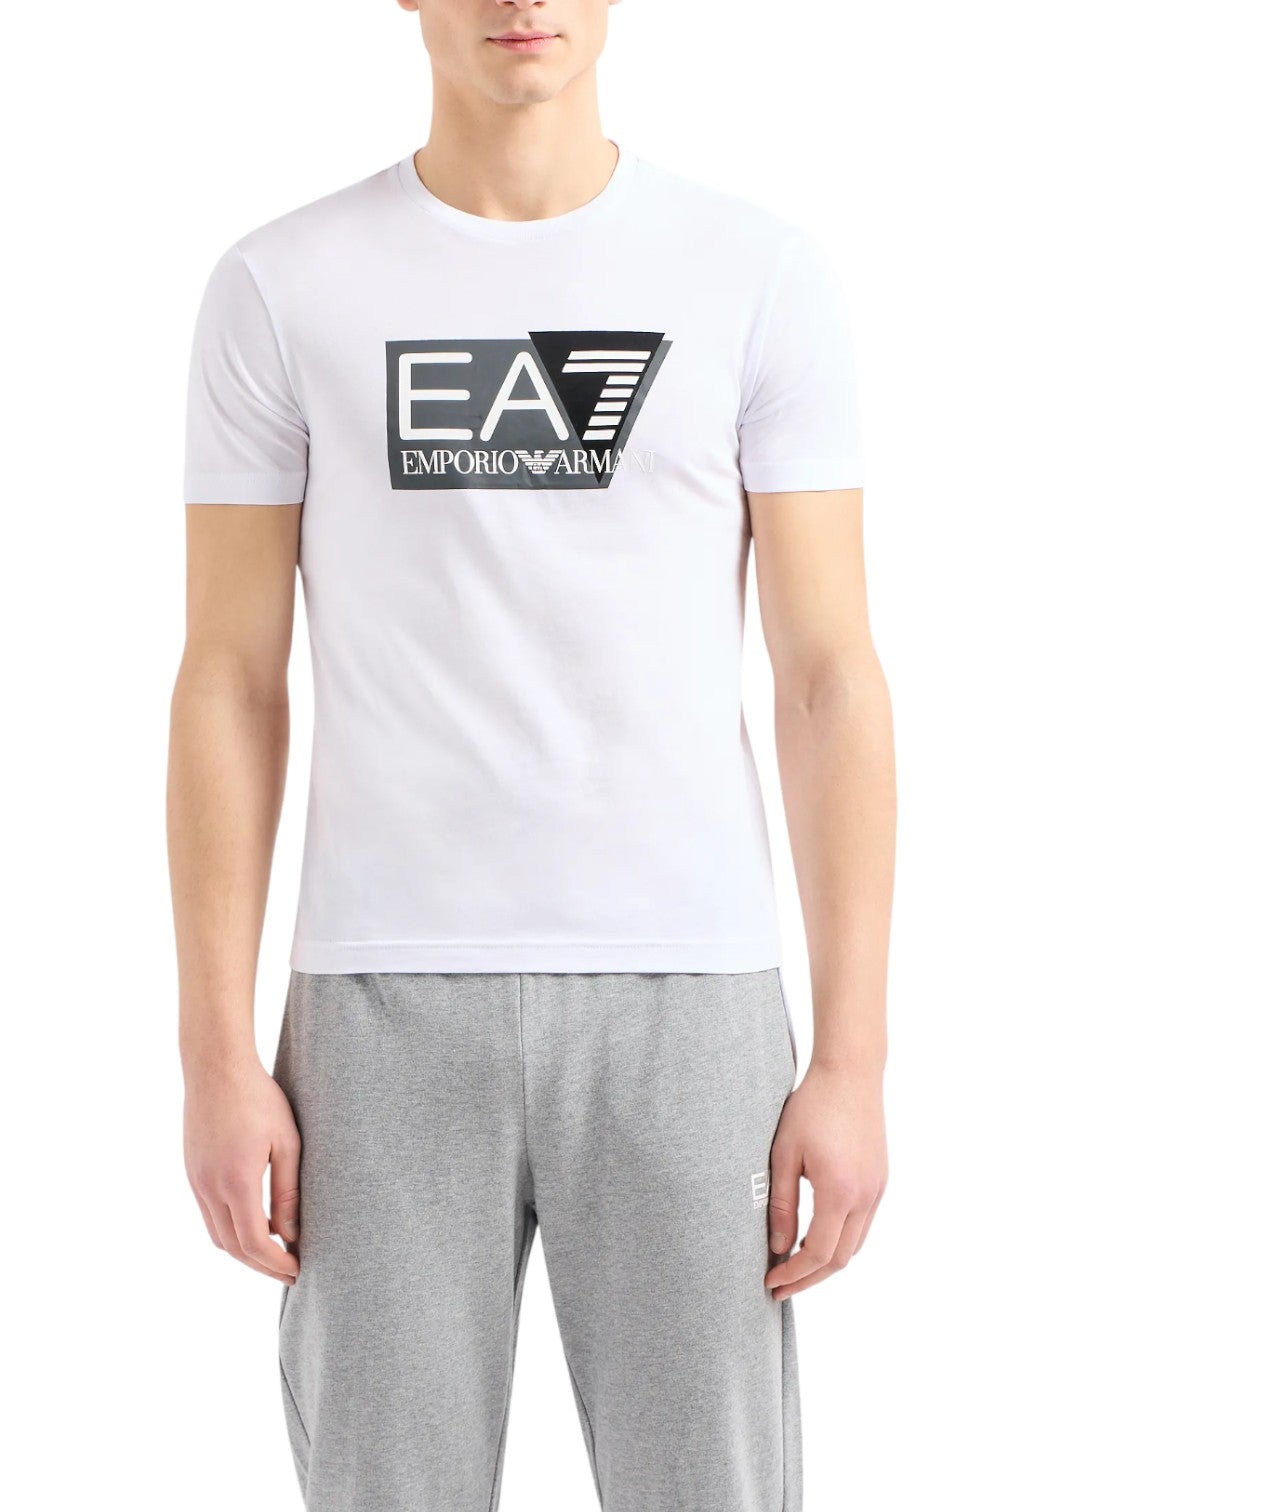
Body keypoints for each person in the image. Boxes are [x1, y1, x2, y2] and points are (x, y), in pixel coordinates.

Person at [167, 3, 895, 1508]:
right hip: (379, 1009)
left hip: (688, 1001)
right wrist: (216, 1056)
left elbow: (829, 679)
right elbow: (229, 679)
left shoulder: (754, 275)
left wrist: (852, 1060)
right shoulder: (282, 287)